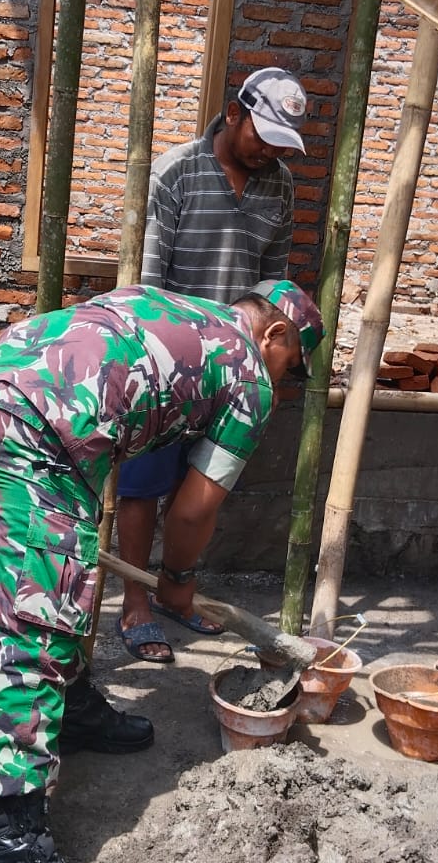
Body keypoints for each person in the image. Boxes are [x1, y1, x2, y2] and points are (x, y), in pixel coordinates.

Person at [0, 279, 325, 863]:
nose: (286, 380)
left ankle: (69, 710)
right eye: (292, 364)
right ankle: (8, 853)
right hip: (41, 427)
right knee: (37, 630)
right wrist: (178, 581)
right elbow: (194, 507)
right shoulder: (248, 375)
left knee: (42, 594)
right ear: (275, 336)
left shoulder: (185, 315)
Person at [118, 66, 311, 662]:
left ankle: (177, 596)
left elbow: (273, 284)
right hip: (167, 362)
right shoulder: (176, 172)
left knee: (197, 490)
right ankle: (136, 605)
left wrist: (268, 373)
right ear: (234, 113)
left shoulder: (279, 188)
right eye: (264, 136)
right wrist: (153, 359)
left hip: (237, 372)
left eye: (283, 144)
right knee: (143, 486)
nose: (270, 152)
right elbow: (149, 281)